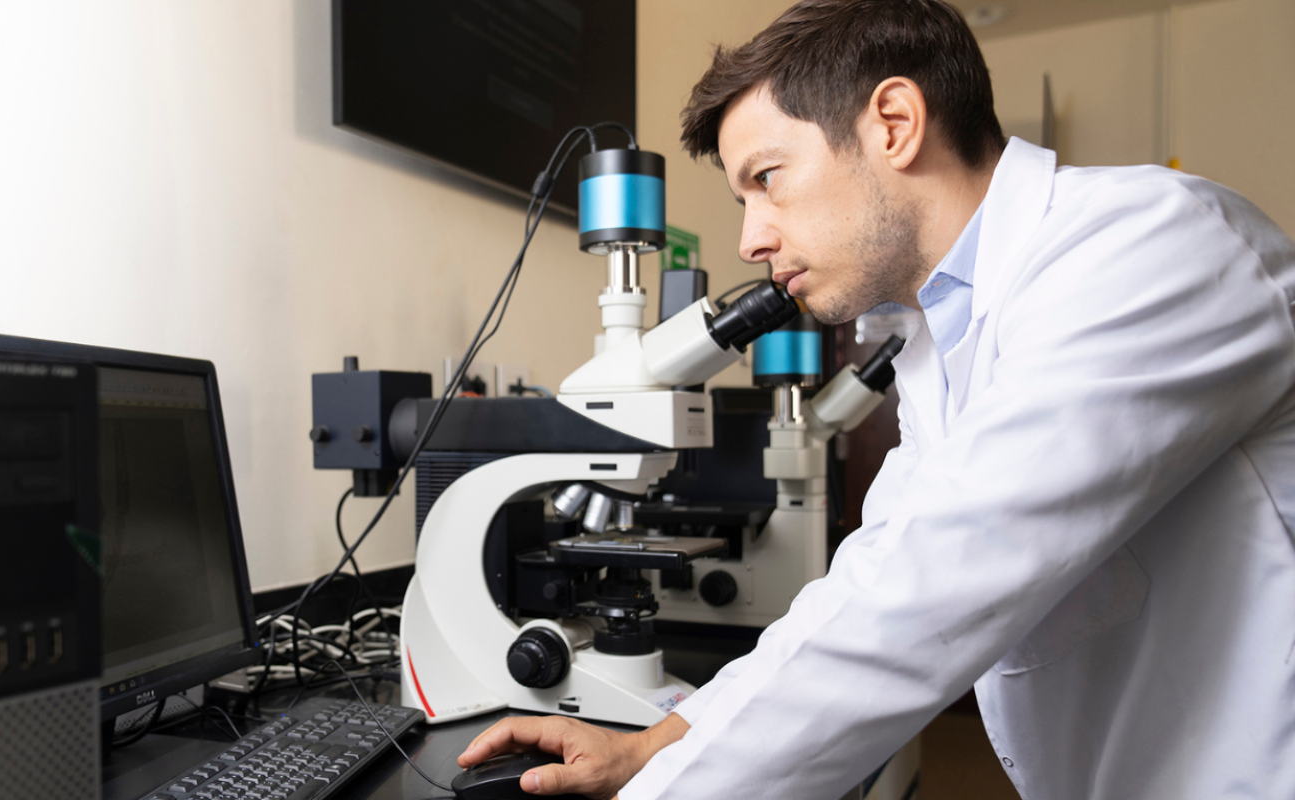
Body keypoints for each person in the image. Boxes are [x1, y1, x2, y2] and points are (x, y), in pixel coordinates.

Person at [456, 0, 1295, 798]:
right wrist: (655, 748)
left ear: (893, 123)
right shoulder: (942, 334)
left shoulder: (1151, 246)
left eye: (768, 178)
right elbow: (868, 584)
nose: (751, 237)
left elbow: (931, 592)